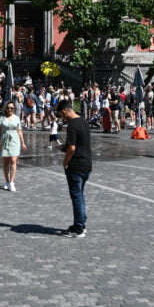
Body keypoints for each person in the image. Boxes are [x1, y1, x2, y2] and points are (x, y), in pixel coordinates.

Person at [57, 99, 92, 238]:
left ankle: (78, 228)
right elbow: (80, 143)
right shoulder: (83, 121)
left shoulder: (72, 125)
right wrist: (63, 147)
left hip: (75, 165)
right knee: (80, 195)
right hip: (87, 164)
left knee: (76, 197)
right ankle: (81, 223)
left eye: (61, 115)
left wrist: (65, 162)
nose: (62, 118)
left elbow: (72, 148)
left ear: (65, 111)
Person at [0, 101, 26, 191]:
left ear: (14, 109)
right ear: (5, 108)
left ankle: (12, 182)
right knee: (5, 162)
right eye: (8, 108)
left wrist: (23, 142)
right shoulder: (1, 118)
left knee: (13, 160)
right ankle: (7, 181)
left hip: (14, 140)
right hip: (4, 140)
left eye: (11, 108)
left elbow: (19, 131)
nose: (9, 109)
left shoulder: (16, 118)